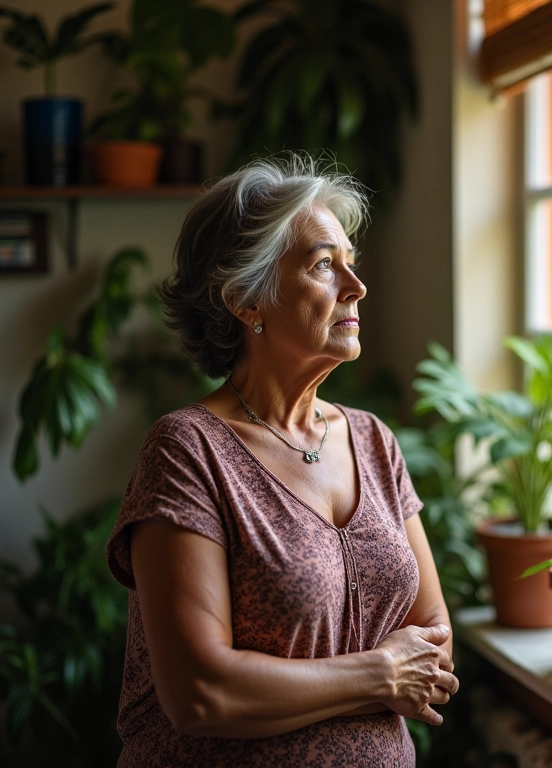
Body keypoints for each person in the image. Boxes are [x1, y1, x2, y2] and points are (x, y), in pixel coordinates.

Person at [106, 152, 459, 767]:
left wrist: (288, 689)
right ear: (246, 299)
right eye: (325, 265)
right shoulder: (188, 451)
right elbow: (202, 692)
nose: (357, 287)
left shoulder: (373, 441)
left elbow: (433, 645)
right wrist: (378, 676)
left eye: (351, 262)